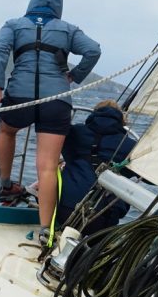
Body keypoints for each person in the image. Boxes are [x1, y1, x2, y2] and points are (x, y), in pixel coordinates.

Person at [0, 0, 101, 244]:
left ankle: (6, 186)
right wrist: (74, 76)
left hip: (19, 97)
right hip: (55, 102)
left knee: (7, 130)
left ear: (32, 3)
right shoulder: (69, 29)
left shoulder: (13, 25)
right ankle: (45, 231)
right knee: (48, 166)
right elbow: (93, 50)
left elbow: (0, 51)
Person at [57, 100, 137, 234]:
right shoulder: (130, 146)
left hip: (61, 209)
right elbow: (149, 178)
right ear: (122, 120)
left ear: (94, 114)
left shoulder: (75, 132)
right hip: (100, 218)